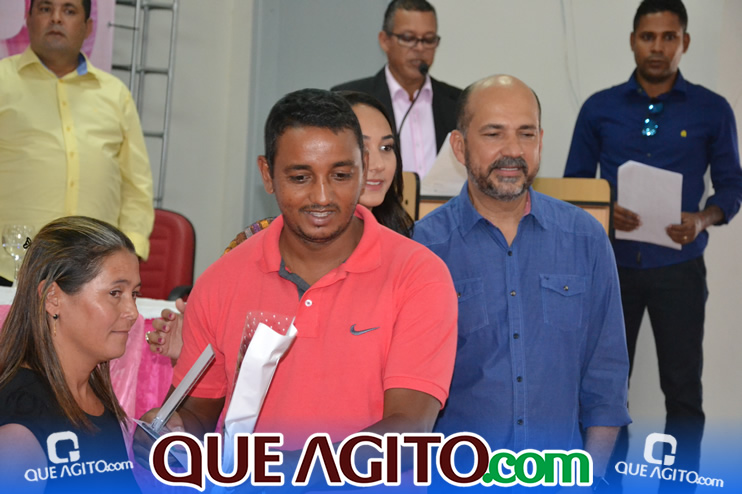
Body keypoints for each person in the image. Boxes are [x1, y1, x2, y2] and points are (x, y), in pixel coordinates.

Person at [139, 89, 457, 485]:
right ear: (267, 175)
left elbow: (409, 429)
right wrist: (172, 431)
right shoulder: (222, 281)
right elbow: (199, 413)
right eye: (300, 177)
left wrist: (286, 469)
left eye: (341, 175)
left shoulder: (419, 276)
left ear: (363, 169)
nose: (322, 196)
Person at [413, 75, 631, 488]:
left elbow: (607, 377)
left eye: (526, 134)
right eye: (494, 133)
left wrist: (591, 475)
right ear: (459, 146)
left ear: (540, 142)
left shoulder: (584, 239)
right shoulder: (424, 248)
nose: (513, 150)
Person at [564, 0, 742, 488]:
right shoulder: (599, 108)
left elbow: (731, 186)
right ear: (632, 41)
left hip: (679, 269)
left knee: (683, 392)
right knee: (605, 390)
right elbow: (574, 185)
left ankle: (678, 484)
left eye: (669, 37)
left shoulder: (711, 109)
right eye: (648, 37)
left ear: (685, 42)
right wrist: (606, 209)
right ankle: (606, 483)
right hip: (611, 268)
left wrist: (702, 218)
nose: (658, 47)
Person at [147, 90, 415, 357]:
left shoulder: (414, 256)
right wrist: (196, 350)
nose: (377, 165)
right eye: (301, 176)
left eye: (386, 148)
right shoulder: (255, 247)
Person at [0, 0, 154, 285]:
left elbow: (136, 186)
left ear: (88, 27)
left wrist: (130, 250)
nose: (56, 18)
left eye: (69, 11)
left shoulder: (115, 94)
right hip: (10, 266)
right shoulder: (2, 81)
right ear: (28, 19)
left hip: (95, 272)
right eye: (45, 9)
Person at [0, 216, 142, 494]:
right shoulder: (22, 425)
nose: (132, 312)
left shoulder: (93, 395)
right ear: (53, 298)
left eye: (134, 294)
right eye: (115, 293)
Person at [332, 0, 461, 179]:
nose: (420, 48)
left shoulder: (458, 101)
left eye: (428, 39)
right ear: (385, 41)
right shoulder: (350, 99)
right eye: (408, 38)